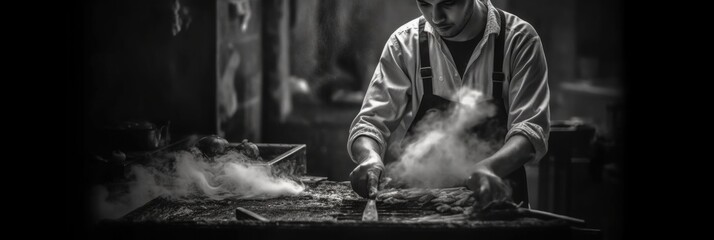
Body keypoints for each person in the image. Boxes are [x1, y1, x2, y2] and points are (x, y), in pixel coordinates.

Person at [347, 0, 550, 207]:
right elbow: (370, 124)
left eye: (448, 3)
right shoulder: (404, 43)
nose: (436, 17)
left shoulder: (519, 39)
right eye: (425, 4)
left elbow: (530, 131)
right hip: (421, 206)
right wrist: (369, 156)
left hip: (499, 204)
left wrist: (490, 168)